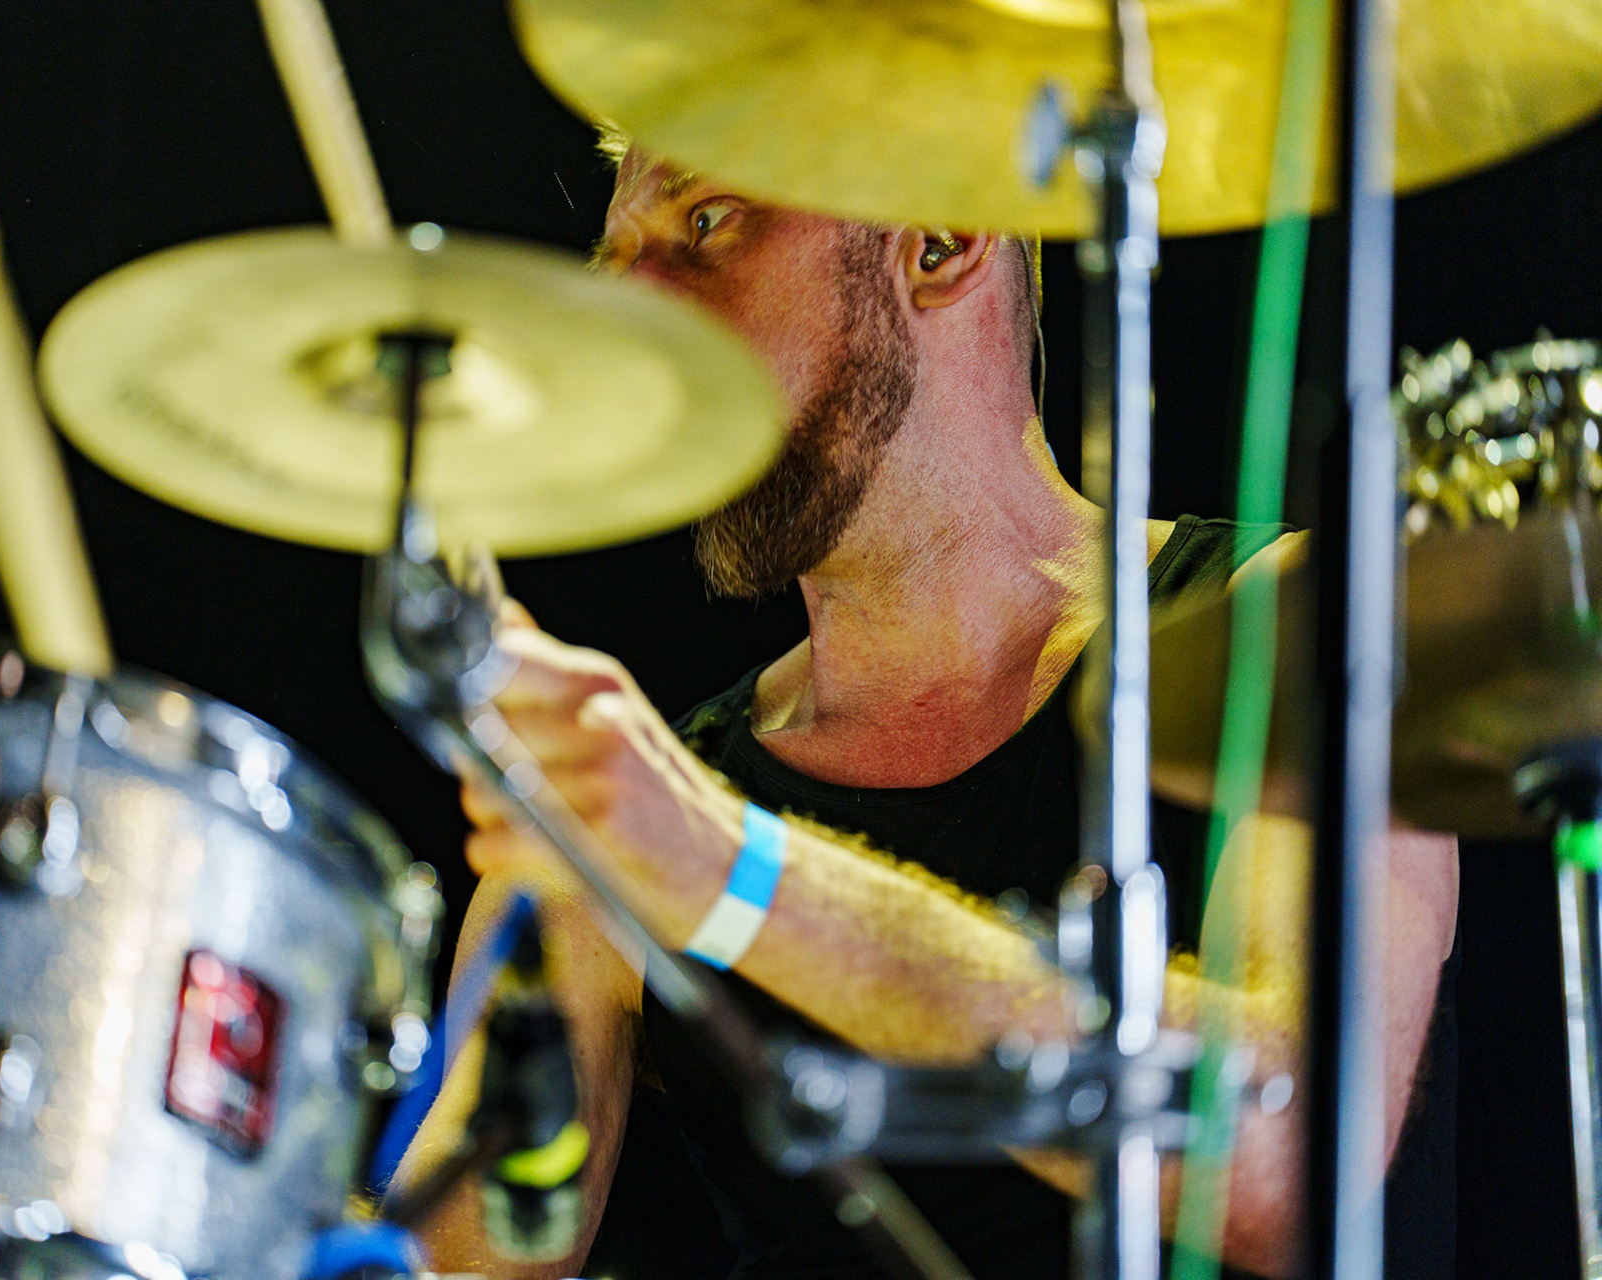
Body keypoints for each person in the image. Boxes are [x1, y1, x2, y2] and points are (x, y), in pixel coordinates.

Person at [389, 145, 1460, 1280]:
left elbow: (1292, 1149)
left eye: (709, 221)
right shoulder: (614, 811)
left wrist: (724, 865)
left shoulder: (1304, 619)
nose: (639, 311)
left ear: (943, 239)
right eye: (621, 259)